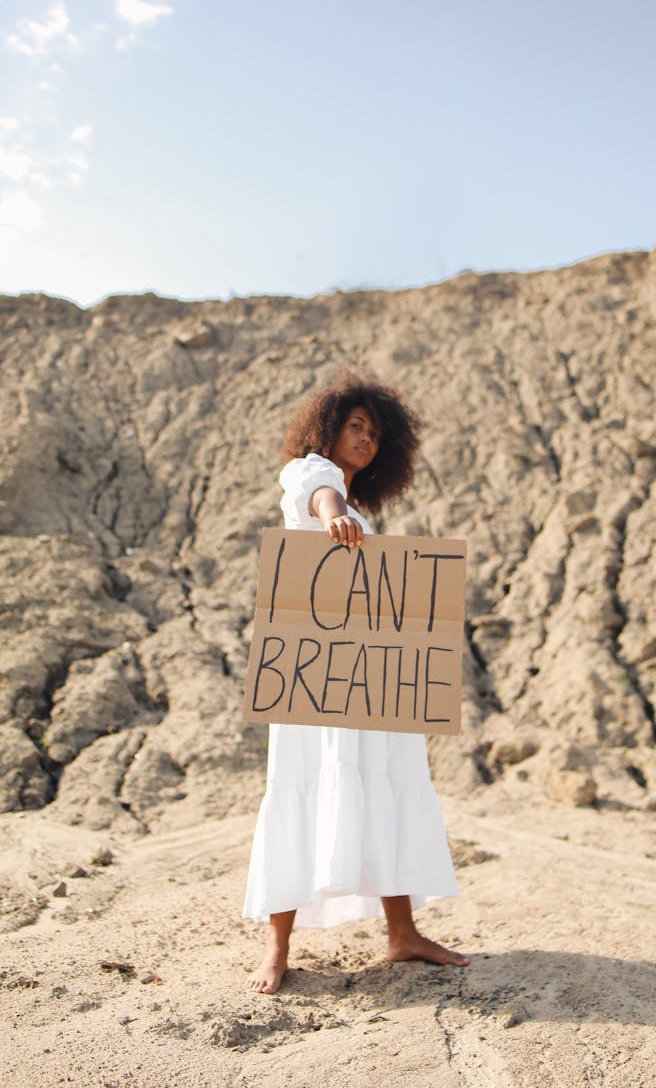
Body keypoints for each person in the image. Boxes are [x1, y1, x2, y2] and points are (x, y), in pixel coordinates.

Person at [244, 371, 467, 994]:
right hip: (315, 680)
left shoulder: (360, 507)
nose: (366, 439)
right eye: (356, 426)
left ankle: (403, 933)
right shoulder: (309, 477)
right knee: (300, 783)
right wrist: (335, 516)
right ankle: (277, 948)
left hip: (365, 678)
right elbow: (320, 495)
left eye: (375, 432)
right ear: (329, 429)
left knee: (388, 780)